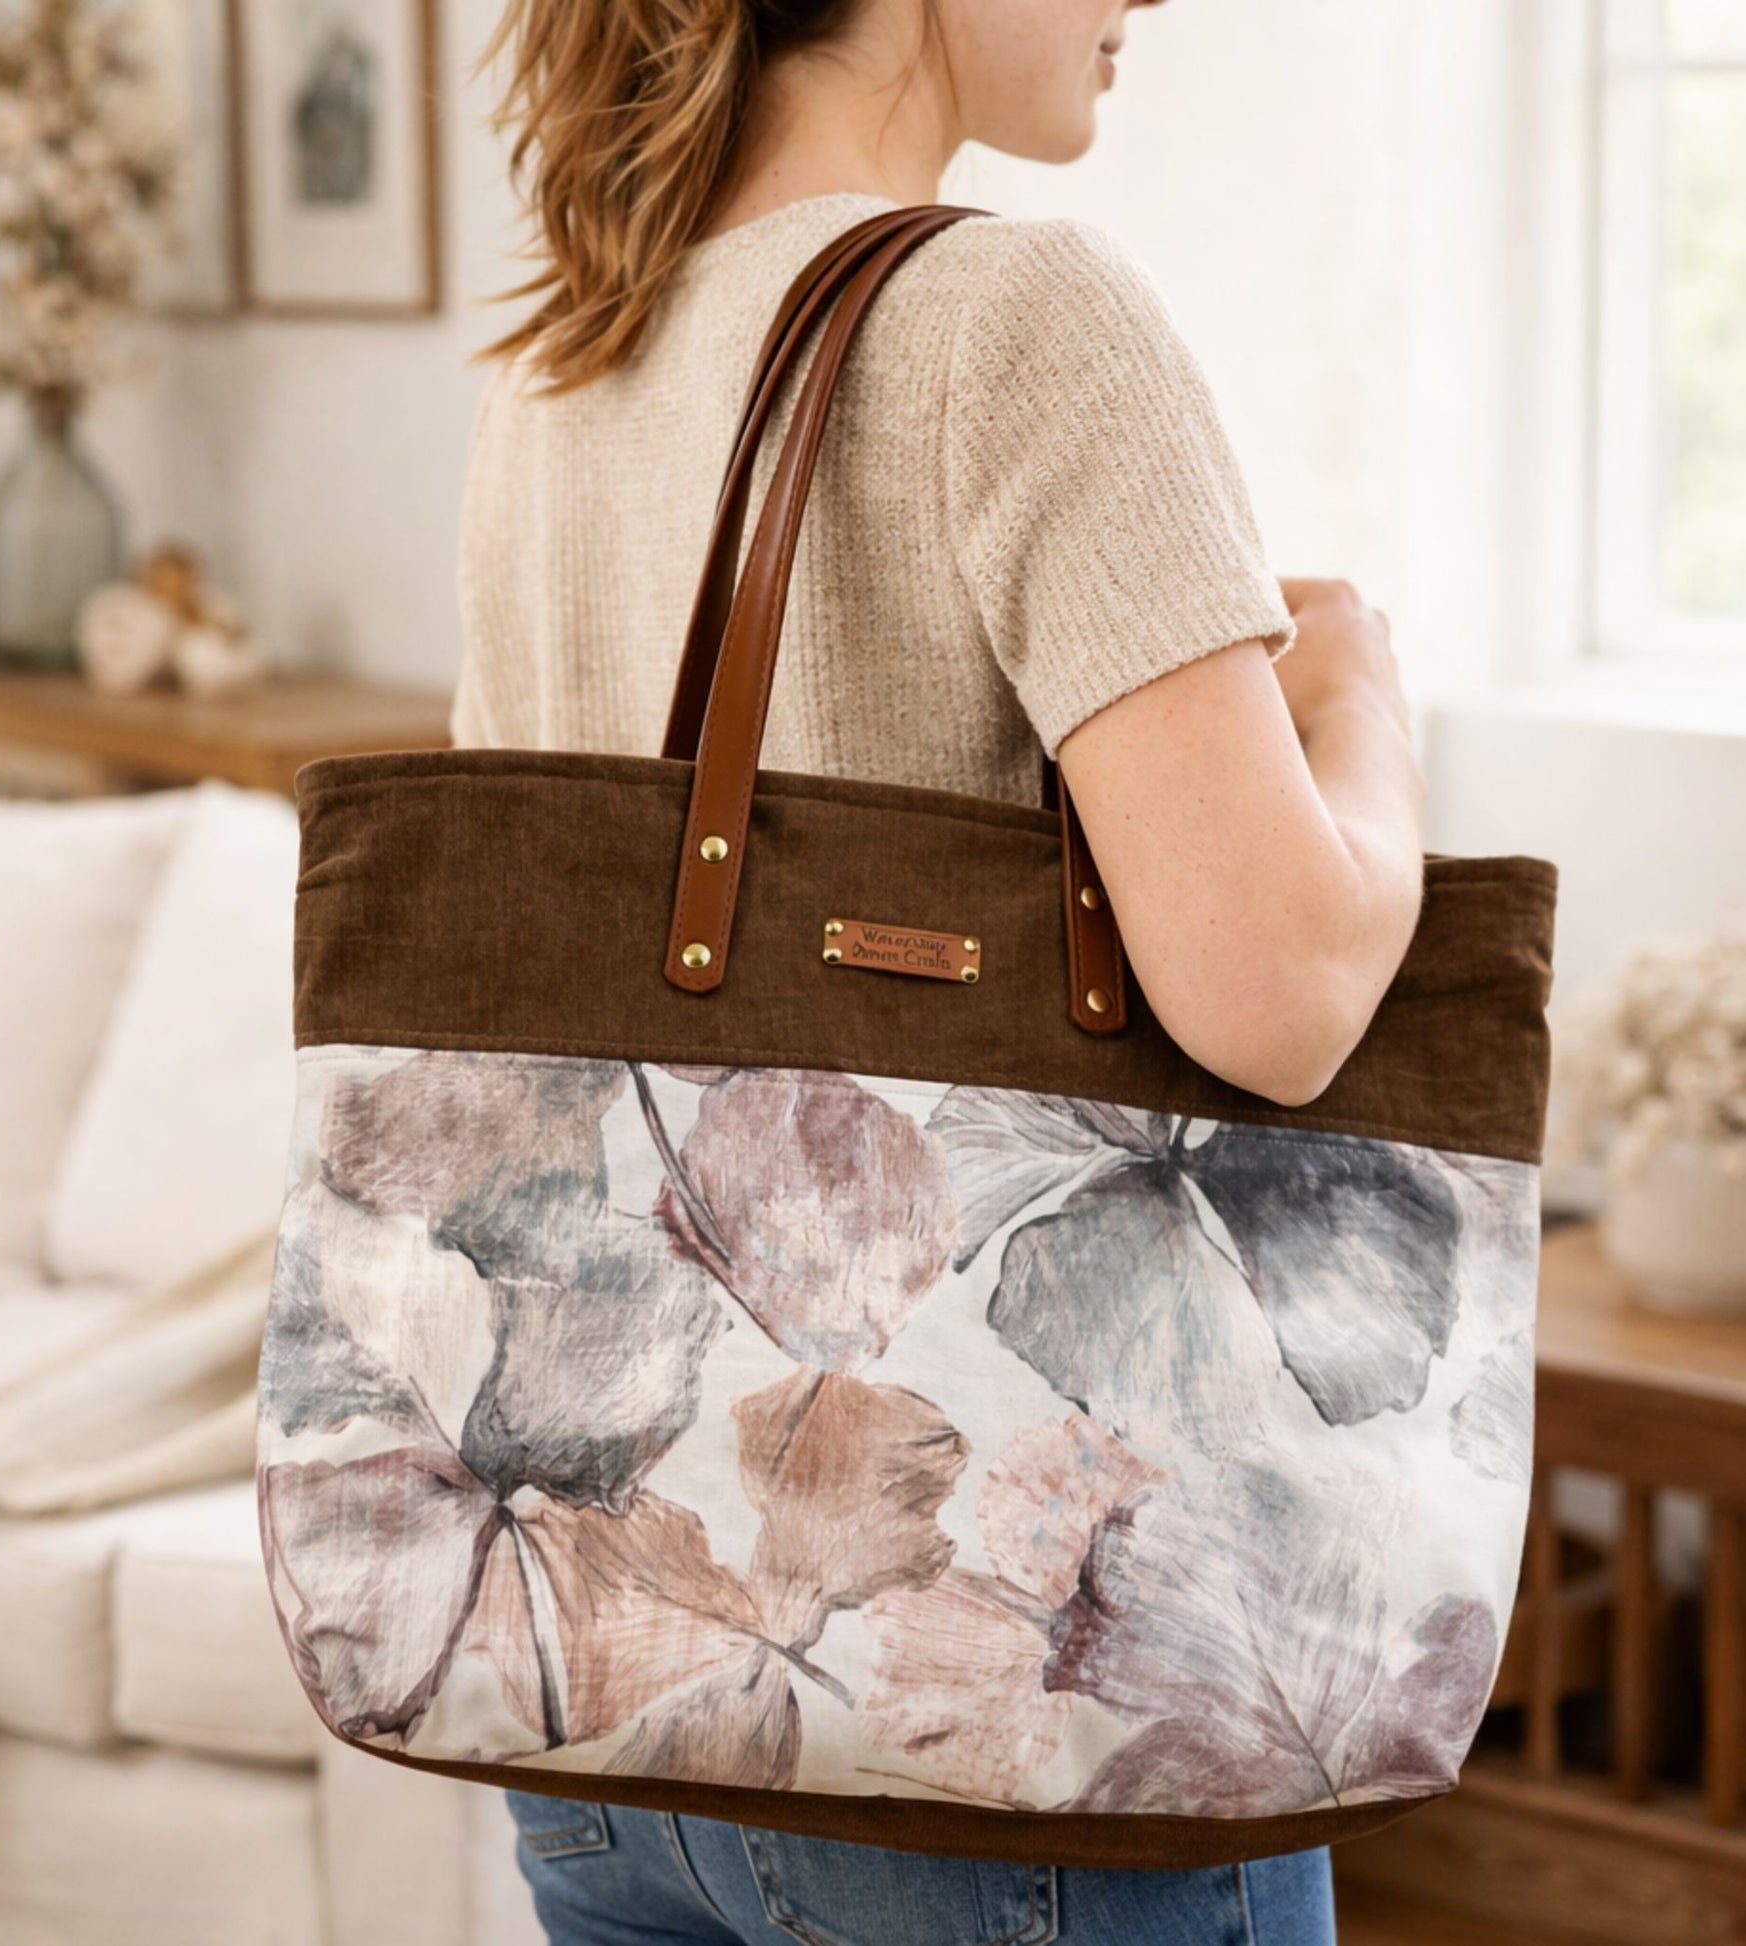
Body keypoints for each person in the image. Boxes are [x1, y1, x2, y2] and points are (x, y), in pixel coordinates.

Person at [452, 2, 1424, 1940]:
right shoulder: (1014, 317)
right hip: (994, 1725)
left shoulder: (565, 364)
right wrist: (1359, 708)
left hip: (613, 1710)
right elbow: (1282, 993)